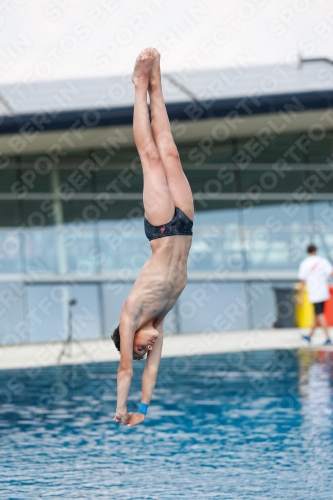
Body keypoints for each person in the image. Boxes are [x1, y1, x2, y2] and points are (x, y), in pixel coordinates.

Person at [111, 48, 194, 427]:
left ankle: (137, 86)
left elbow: (127, 371)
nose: (146, 350)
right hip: (186, 225)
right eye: (146, 351)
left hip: (162, 228)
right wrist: (143, 411)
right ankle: (156, 80)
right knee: (171, 154)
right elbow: (151, 374)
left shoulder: (131, 317)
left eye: (139, 349)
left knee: (150, 155)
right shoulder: (158, 322)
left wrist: (120, 409)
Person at [297, 244, 333, 345]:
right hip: (323, 291)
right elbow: (331, 273)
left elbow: (302, 282)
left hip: (314, 292)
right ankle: (309, 336)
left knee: (320, 314)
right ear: (315, 250)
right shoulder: (323, 261)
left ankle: (328, 338)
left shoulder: (304, 264)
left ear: (307, 251)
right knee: (316, 314)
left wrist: (299, 297)